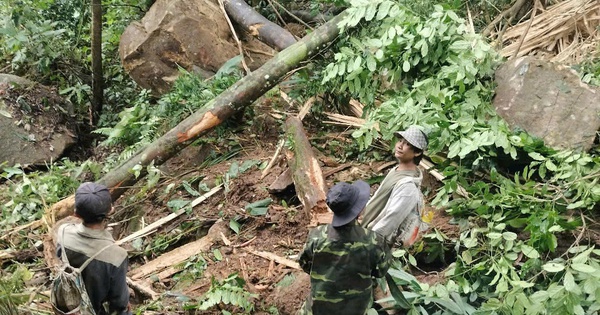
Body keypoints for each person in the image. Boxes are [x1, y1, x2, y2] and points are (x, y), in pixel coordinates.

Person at [298, 180, 390, 315]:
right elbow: (380, 271)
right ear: (358, 210)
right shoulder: (374, 241)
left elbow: (304, 263)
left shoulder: (317, 236)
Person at [56, 182, 131, 315]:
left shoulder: (63, 232)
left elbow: (59, 256)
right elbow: (119, 303)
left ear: (76, 214)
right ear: (111, 210)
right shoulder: (117, 256)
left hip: (71, 305)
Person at [360, 125, 429, 248]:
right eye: (400, 141)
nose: (400, 146)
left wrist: (368, 244)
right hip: (365, 231)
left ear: (417, 152)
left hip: (375, 243)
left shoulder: (408, 188)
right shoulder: (395, 170)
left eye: (407, 144)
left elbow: (390, 221)